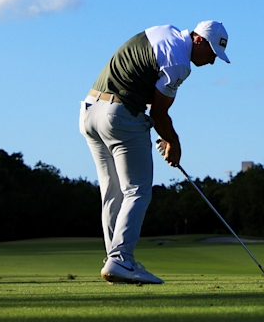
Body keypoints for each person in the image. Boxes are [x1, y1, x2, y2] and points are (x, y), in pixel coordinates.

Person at [79, 21, 230, 284]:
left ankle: (115, 260)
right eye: (212, 54)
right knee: (137, 190)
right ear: (199, 41)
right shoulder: (181, 63)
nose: (212, 62)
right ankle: (121, 259)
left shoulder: (164, 32)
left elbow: (147, 90)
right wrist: (174, 143)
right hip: (119, 115)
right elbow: (159, 113)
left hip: (89, 112)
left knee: (113, 192)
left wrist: (162, 134)